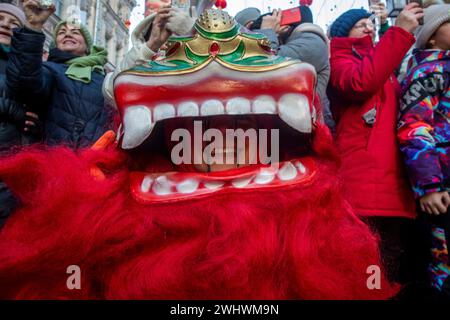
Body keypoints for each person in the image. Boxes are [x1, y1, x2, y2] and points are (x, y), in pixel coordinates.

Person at [328, 4, 426, 292]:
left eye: (369, 24)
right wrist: (398, 33)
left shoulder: (378, 61)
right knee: (371, 262)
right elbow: (360, 83)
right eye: (360, 26)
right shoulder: (340, 60)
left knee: (391, 260)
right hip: (366, 185)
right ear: (344, 35)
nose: (369, 28)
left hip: (390, 183)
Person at [6, 0, 111, 149]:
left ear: (88, 47)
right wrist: (33, 29)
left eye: (75, 32)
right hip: (53, 160)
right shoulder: (49, 69)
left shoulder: (105, 79)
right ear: (56, 44)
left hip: (97, 163)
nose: (68, 34)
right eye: (62, 32)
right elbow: (26, 83)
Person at [398, 4, 450, 297]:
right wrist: (428, 184)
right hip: (442, 184)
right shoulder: (428, 70)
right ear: (431, 37)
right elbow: (413, 128)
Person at [254, 6, 335, 132]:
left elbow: (266, 65)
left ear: (285, 26)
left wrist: (267, 31)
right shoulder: (292, 43)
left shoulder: (312, 42)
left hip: (301, 135)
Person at [103, 5, 196, 107]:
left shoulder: (194, 70)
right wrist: (151, 46)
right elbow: (113, 92)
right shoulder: (142, 63)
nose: (168, 43)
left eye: (176, 37)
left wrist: (193, 34)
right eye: (164, 35)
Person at [0, 3, 40, 229]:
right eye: (1, 19)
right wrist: (15, 112)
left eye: (14, 23)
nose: (5, 25)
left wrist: (34, 123)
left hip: (10, 168)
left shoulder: (26, 69)